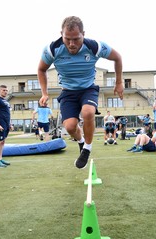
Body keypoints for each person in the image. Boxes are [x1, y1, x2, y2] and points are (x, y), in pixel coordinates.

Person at [37, 16, 123, 169]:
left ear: (83, 33)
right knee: (70, 127)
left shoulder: (95, 46)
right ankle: (81, 142)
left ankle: (87, 149)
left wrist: (118, 82)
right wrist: (44, 93)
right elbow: (41, 69)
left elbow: (117, 57)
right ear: (61, 34)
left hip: (87, 89)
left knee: (88, 112)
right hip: (68, 92)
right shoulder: (52, 49)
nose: (71, 44)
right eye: (67, 39)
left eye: (76, 39)